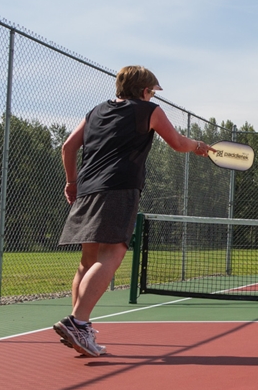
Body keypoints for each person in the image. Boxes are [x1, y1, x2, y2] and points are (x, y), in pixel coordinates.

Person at [54, 66, 210, 357]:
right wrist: (198, 145)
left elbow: (67, 147)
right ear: (143, 90)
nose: (153, 95)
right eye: (152, 91)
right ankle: (78, 322)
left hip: (88, 189)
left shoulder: (95, 112)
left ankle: (80, 330)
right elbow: (177, 143)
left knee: (87, 261)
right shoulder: (149, 110)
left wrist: (72, 182)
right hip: (119, 188)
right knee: (112, 254)